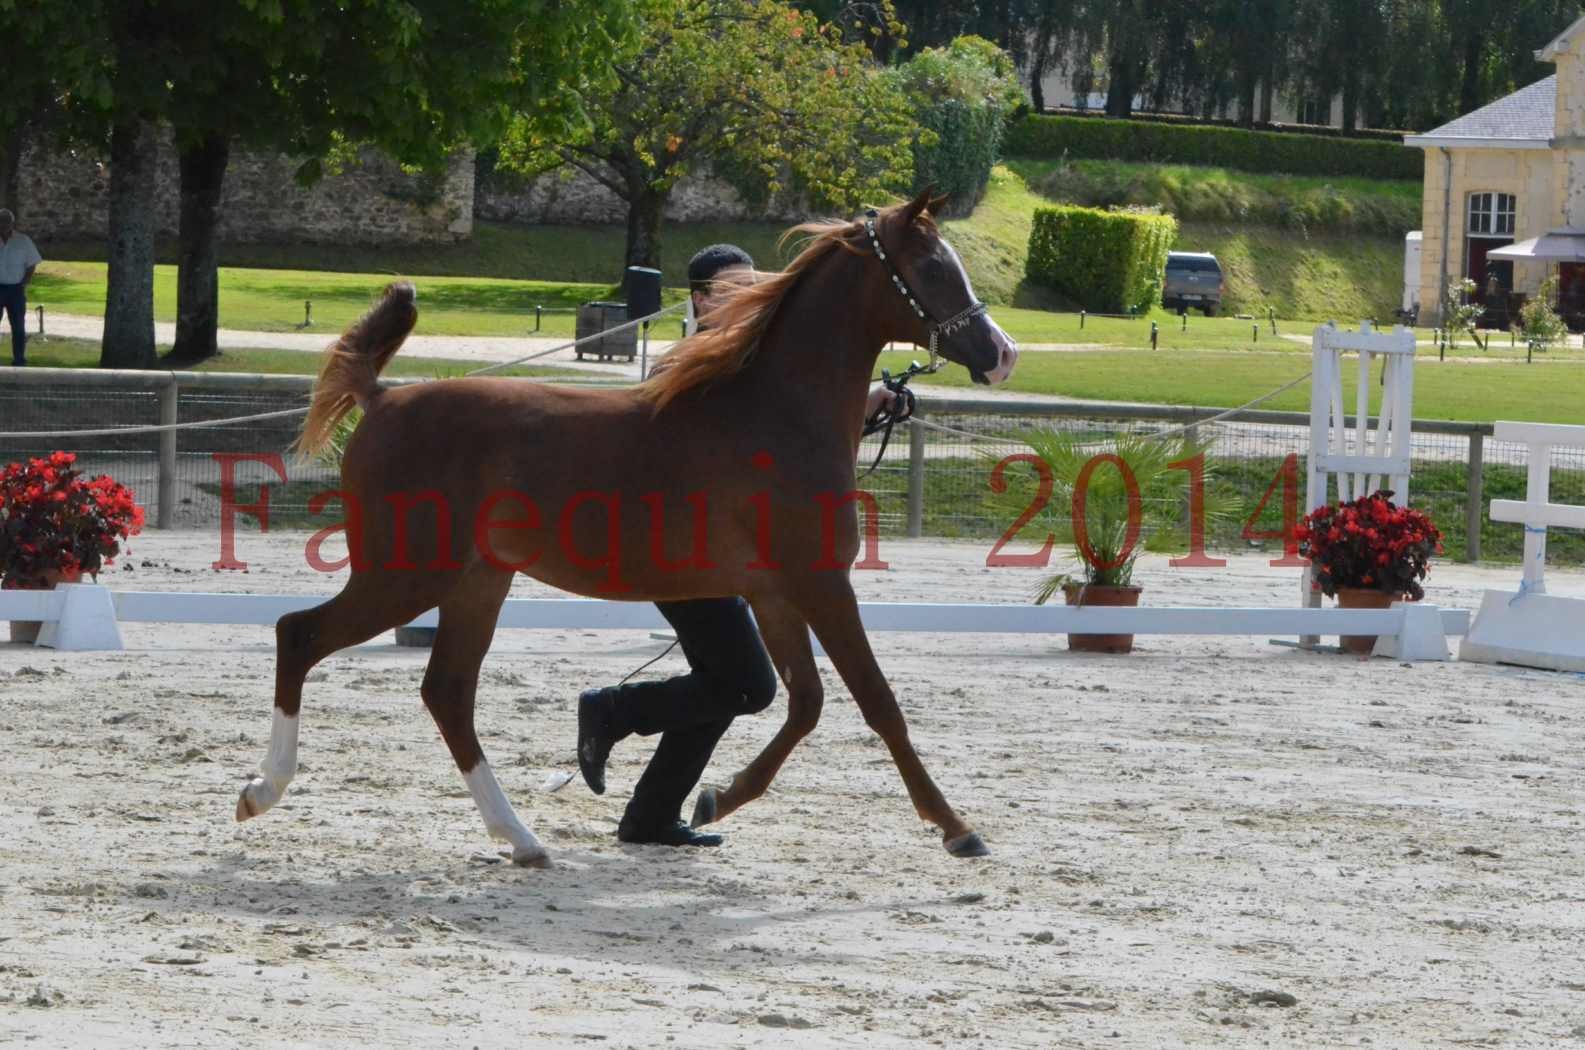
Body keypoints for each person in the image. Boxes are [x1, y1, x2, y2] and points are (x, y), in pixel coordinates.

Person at [577, 243, 902, 847]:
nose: (749, 301)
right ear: (699, 300)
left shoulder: (748, 361)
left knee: (722, 682)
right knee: (747, 684)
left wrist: (869, 404)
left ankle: (650, 815)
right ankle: (613, 711)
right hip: (675, 553)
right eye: (731, 292)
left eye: (755, 289)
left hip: (722, 553)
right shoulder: (680, 363)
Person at [0, 209, 42, 367]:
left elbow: (32, 263)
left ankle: (19, 360)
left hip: (15, 290)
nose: (2, 224)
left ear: (12, 223)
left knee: (18, 326)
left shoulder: (23, 240)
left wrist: (25, 281)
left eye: (6, 221)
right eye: (0, 221)